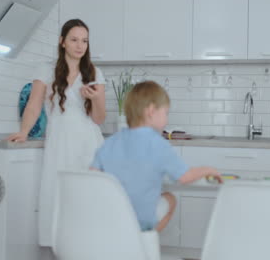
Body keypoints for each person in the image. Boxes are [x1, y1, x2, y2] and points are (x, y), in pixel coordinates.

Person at [7, 19, 106, 246]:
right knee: (60, 193)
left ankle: (89, 248)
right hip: (60, 141)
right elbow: (34, 104)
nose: (80, 46)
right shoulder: (46, 69)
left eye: (84, 41)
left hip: (88, 142)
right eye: (74, 40)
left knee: (87, 196)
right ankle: (62, 246)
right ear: (62, 42)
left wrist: (95, 98)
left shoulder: (94, 72)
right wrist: (23, 131)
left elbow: (99, 118)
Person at [90, 81, 222, 232]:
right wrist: (209, 170)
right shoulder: (158, 144)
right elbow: (185, 177)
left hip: (110, 217)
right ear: (151, 111)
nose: (167, 119)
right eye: (166, 113)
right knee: (170, 199)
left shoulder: (110, 142)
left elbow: (93, 176)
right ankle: (144, 242)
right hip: (140, 221)